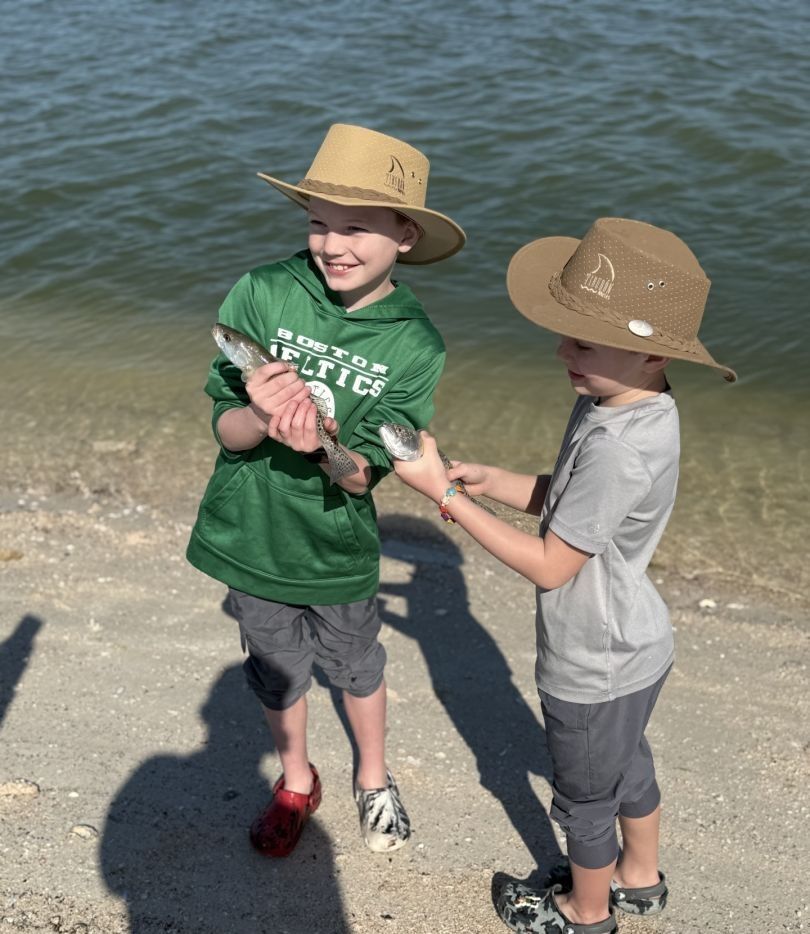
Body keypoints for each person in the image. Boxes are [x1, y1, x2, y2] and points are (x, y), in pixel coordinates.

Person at [392, 217, 735, 934]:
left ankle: (586, 911)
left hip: (593, 657)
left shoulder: (618, 446)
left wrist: (445, 497)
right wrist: (493, 481)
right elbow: (575, 501)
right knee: (627, 767)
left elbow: (552, 566)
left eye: (580, 340)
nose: (559, 350)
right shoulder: (637, 408)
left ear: (648, 352)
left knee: (584, 798)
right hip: (638, 646)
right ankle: (638, 880)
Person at [186, 123, 465, 858]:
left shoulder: (415, 344)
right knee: (275, 670)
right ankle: (295, 778)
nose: (333, 245)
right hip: (249, 531)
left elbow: (363, 474)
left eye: (357, 228)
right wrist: (259, 413)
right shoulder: (263, 291)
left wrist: (322, 450)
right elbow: (226, 431)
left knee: (356, 665)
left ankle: (373, 777)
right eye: (318, 223)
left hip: (336, 545)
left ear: (405, 235)